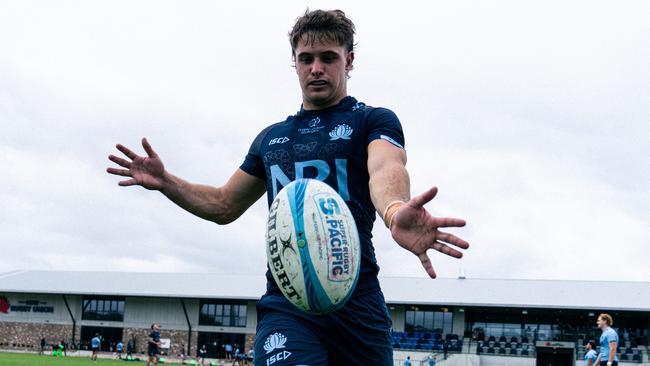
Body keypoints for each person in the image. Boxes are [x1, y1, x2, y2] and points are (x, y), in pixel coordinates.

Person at [107, 9, 469, 366]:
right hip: (287, 306)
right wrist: (167, 182)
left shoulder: (372, 120)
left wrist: (393, 211)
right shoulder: (271, 140)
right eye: (306, 58)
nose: (316, 68)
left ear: (350, 60)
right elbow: (223, 205)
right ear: (294, 63)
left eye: (329, 58)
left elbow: (385, 168)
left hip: (358, 305)